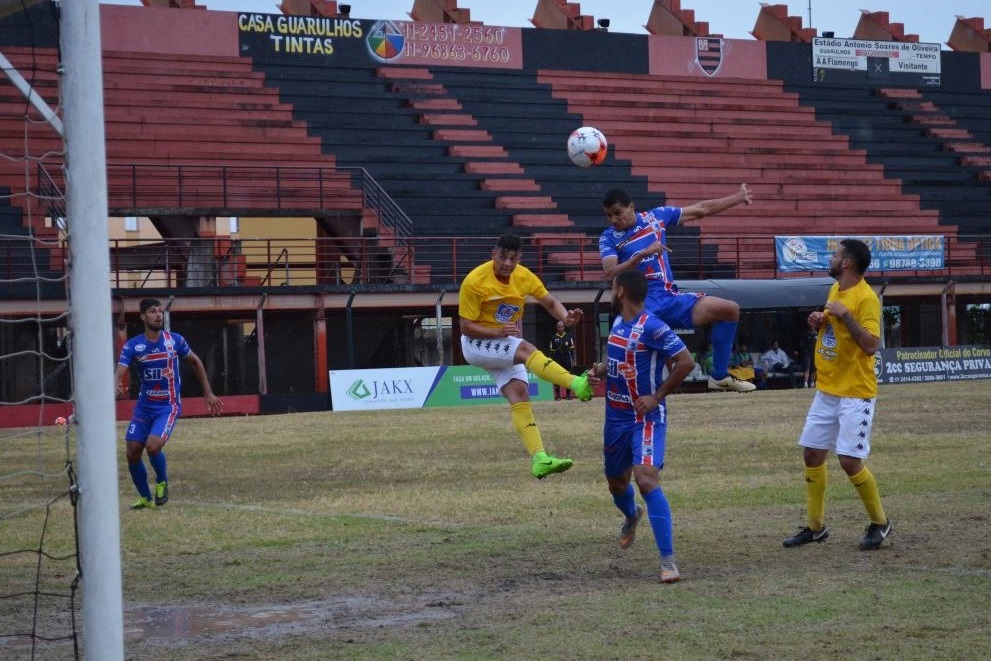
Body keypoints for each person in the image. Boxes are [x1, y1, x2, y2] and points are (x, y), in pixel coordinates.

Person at [585, 270, 696, 583]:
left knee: (646, 479)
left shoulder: (654, 326)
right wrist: (601, 371)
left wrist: (657, 396)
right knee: (616, 485)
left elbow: (685, 361)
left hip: (645, 417)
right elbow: (617, 361)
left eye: (611, 287)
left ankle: (668, 562)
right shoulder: (619, 324)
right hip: (615, 418)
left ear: (620, 290)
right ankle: (632, 514)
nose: (610, 291)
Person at [783, 239, 892, 551]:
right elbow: (833, 333)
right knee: (812, 454)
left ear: (846, 263)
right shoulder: (836, 291)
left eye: (835, 255)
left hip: (855, 393)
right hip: (828, 388)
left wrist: (846, 317)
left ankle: (881, 522)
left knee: (849, 460)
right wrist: (818, 321)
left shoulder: (866, 298)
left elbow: (871, 345)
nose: (831, 259)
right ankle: (815, 527)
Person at [458, 234, 592, 480]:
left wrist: (565, 317)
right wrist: (497, 332)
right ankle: (576, 383)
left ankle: (540, 459)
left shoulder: (524, 276)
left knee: (520, 393)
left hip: (501, 339)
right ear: (493, 254)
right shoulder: (475, 281)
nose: (508, 264)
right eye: (503, 257)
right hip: (476, 342)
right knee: (526, 349)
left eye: (513, 258)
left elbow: (549, 301)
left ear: (519, 258)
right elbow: (465, 326)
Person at [598, 184, 756, 393]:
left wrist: (738, 197)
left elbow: (701, 210)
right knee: (622, 354)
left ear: (632, 207)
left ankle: (719, 377)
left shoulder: (657, 217)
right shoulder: (608, 237)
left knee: (729, 309)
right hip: (640, 306)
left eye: (617, 213)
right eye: (609, 216)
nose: (613, 220)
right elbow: (610, 273)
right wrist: (641, 255)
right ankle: (592, 379)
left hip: (670, 299)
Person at [115, 298, 223, 510]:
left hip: (168, 406)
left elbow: (195, 362)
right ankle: (145, 498)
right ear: (142, 316)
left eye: (160, 311)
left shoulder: (174, 341)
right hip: (144, 407)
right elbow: (120, 369)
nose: (158, 315)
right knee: (132, 451)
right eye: (153, 311)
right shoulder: (133, 345)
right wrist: (115, 381)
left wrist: (208, 393)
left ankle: (162, 481)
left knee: (153, 445)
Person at [548, 320, 576, 400]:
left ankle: (568, 395)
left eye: (562, 326)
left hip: (566, 359)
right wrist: (551, 361)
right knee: (557, 377)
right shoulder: (553, 338)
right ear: (557, 328)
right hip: (557, 360)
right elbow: (551, 351)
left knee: (568, 376)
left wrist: (573, 360)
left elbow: (571, 350)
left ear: (564, 327)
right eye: (559, 327)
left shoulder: (569, 337)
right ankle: (558, 396)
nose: (561, 328)